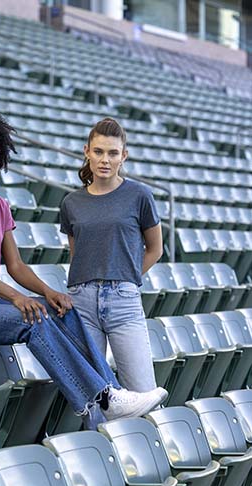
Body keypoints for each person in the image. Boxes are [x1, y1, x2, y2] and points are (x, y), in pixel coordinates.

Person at [0, 109, 167, 430]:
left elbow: (15, 265)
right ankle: (107, 396)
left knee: (63, 312)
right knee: (34, 320)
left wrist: (49, 293)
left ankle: (111, 395)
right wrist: (17, 298)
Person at [60, 117, 162, 423]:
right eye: (99, 151)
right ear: (87, 152)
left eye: (113, 153)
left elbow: (155, 249)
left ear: (124, 156)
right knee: (94, 400)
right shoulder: (71, 202)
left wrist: (126, 279)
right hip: (83, 302)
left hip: (124, 301)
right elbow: (78, 254)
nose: (106, 160)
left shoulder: (140, 196)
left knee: (143, 395)